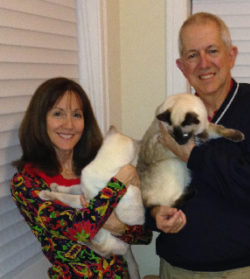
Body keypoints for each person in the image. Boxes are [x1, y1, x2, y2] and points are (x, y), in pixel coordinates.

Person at [148, 12, 250, 279]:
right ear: (181, 66)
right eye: (192, 55)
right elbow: (147, 175)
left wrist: (192, 155)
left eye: (212, 50)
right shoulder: (172, 115)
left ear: (231, 55)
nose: (204, 63)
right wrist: (155, 211)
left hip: (243, 270)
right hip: (176, 269)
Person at [11, 77, 152, 278]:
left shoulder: (97, 164)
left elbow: (144, 235)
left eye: (77, 115)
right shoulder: (27, 182)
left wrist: (120, 227)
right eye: (58, 113)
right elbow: (82, 230)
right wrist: (120, 182)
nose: (69, 124)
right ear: (40, 120)